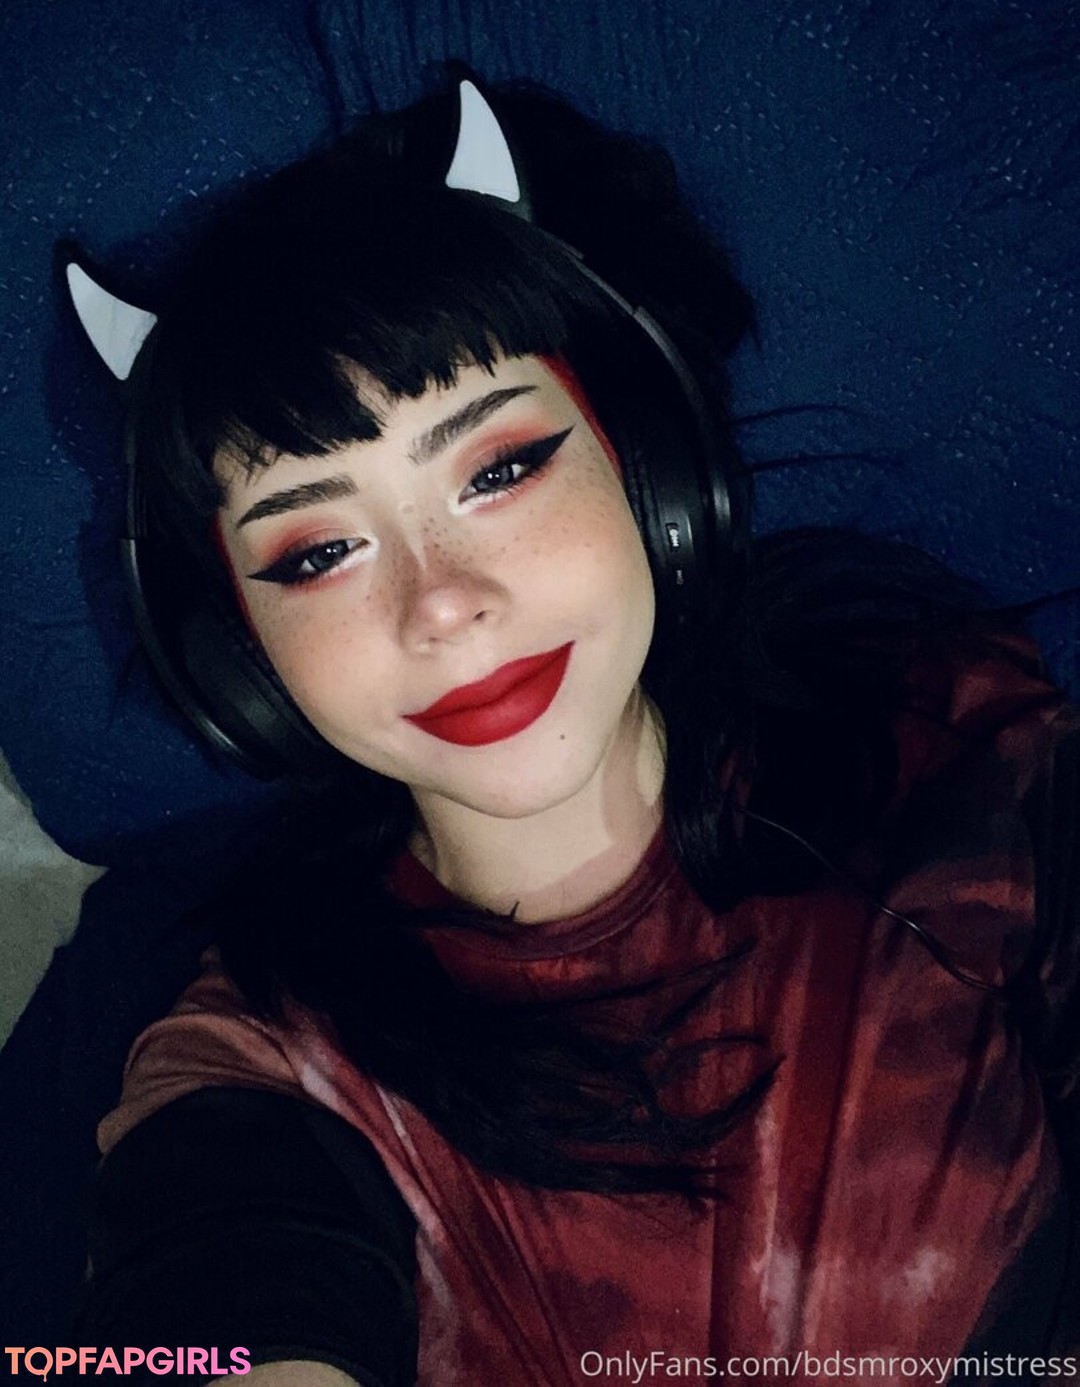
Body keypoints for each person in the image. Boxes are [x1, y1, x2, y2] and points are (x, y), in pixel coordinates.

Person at [65, 76, 1080, 1384]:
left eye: (497, 470)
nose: (442, 604)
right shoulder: (265, 1059)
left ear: (641, 462)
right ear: (242, 655)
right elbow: (210, 1295)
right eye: (317, 551)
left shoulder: (962, 753)